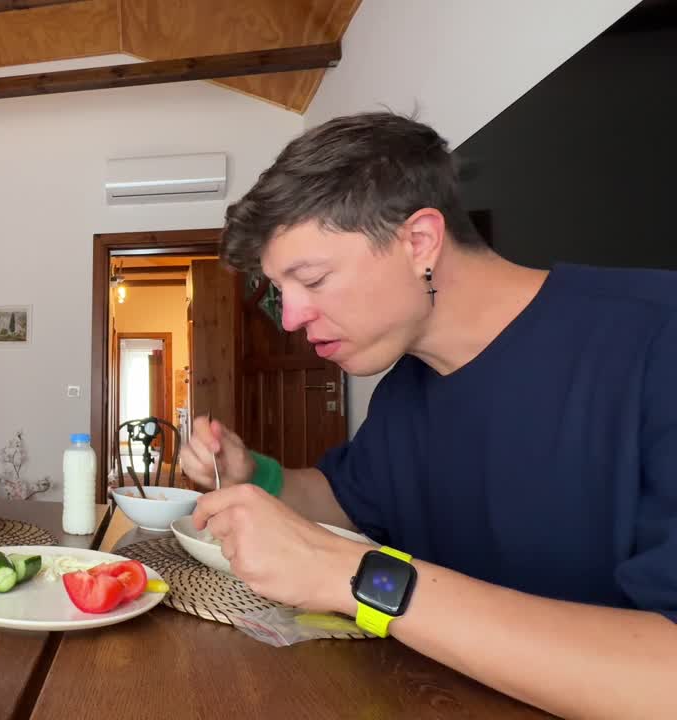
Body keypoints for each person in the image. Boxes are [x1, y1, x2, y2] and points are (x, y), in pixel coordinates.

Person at [179, 112, 675, 718]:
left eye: (311, 279)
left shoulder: (656, 339)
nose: (289, 319)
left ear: (419, 242)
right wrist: (256, 474)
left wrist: (353, 576)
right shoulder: (406, 389)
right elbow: (342, 496)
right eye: (282, 291)